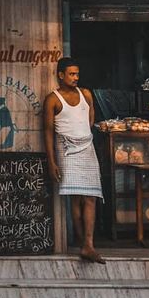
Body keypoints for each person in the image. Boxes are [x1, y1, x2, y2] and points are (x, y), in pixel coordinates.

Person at [43, 58, 105, 264]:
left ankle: (88, 244)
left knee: (91, 196)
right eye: (71, 74)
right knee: (75, 198)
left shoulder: (85, 94)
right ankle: (82, 241)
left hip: (87, 148)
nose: (75, 78)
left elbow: (90, 118)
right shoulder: (52, 99)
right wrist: (52, 161)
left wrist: (83, 137)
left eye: (77, 74)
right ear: (60, 75)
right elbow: (48, 132)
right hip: (67, 152)